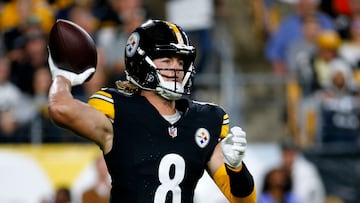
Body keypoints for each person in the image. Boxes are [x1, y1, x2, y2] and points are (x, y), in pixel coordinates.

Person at [47, 19, 256, 202]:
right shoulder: (117, 109)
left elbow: (245, 201)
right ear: (140, 64)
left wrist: (236, 167)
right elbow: (60, 108)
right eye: (166, 60)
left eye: (180, 61)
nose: (176, 69)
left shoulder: (206, 120)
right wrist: (63, 76)